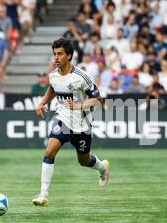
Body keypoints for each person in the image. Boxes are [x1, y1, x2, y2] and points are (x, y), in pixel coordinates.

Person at [32, 38, 110, 207]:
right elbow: (52, 88)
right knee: (50, 150)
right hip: (63, 120)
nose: (56, 58)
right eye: (54, 54)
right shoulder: (53, 75)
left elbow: (98, 100)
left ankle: (102, 168)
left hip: (82, 126)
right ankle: (43, 195)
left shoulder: (82, 77)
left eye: (60, 54)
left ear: (69, 55)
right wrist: (42, 102)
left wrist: (79, 105)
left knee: (84, 161)